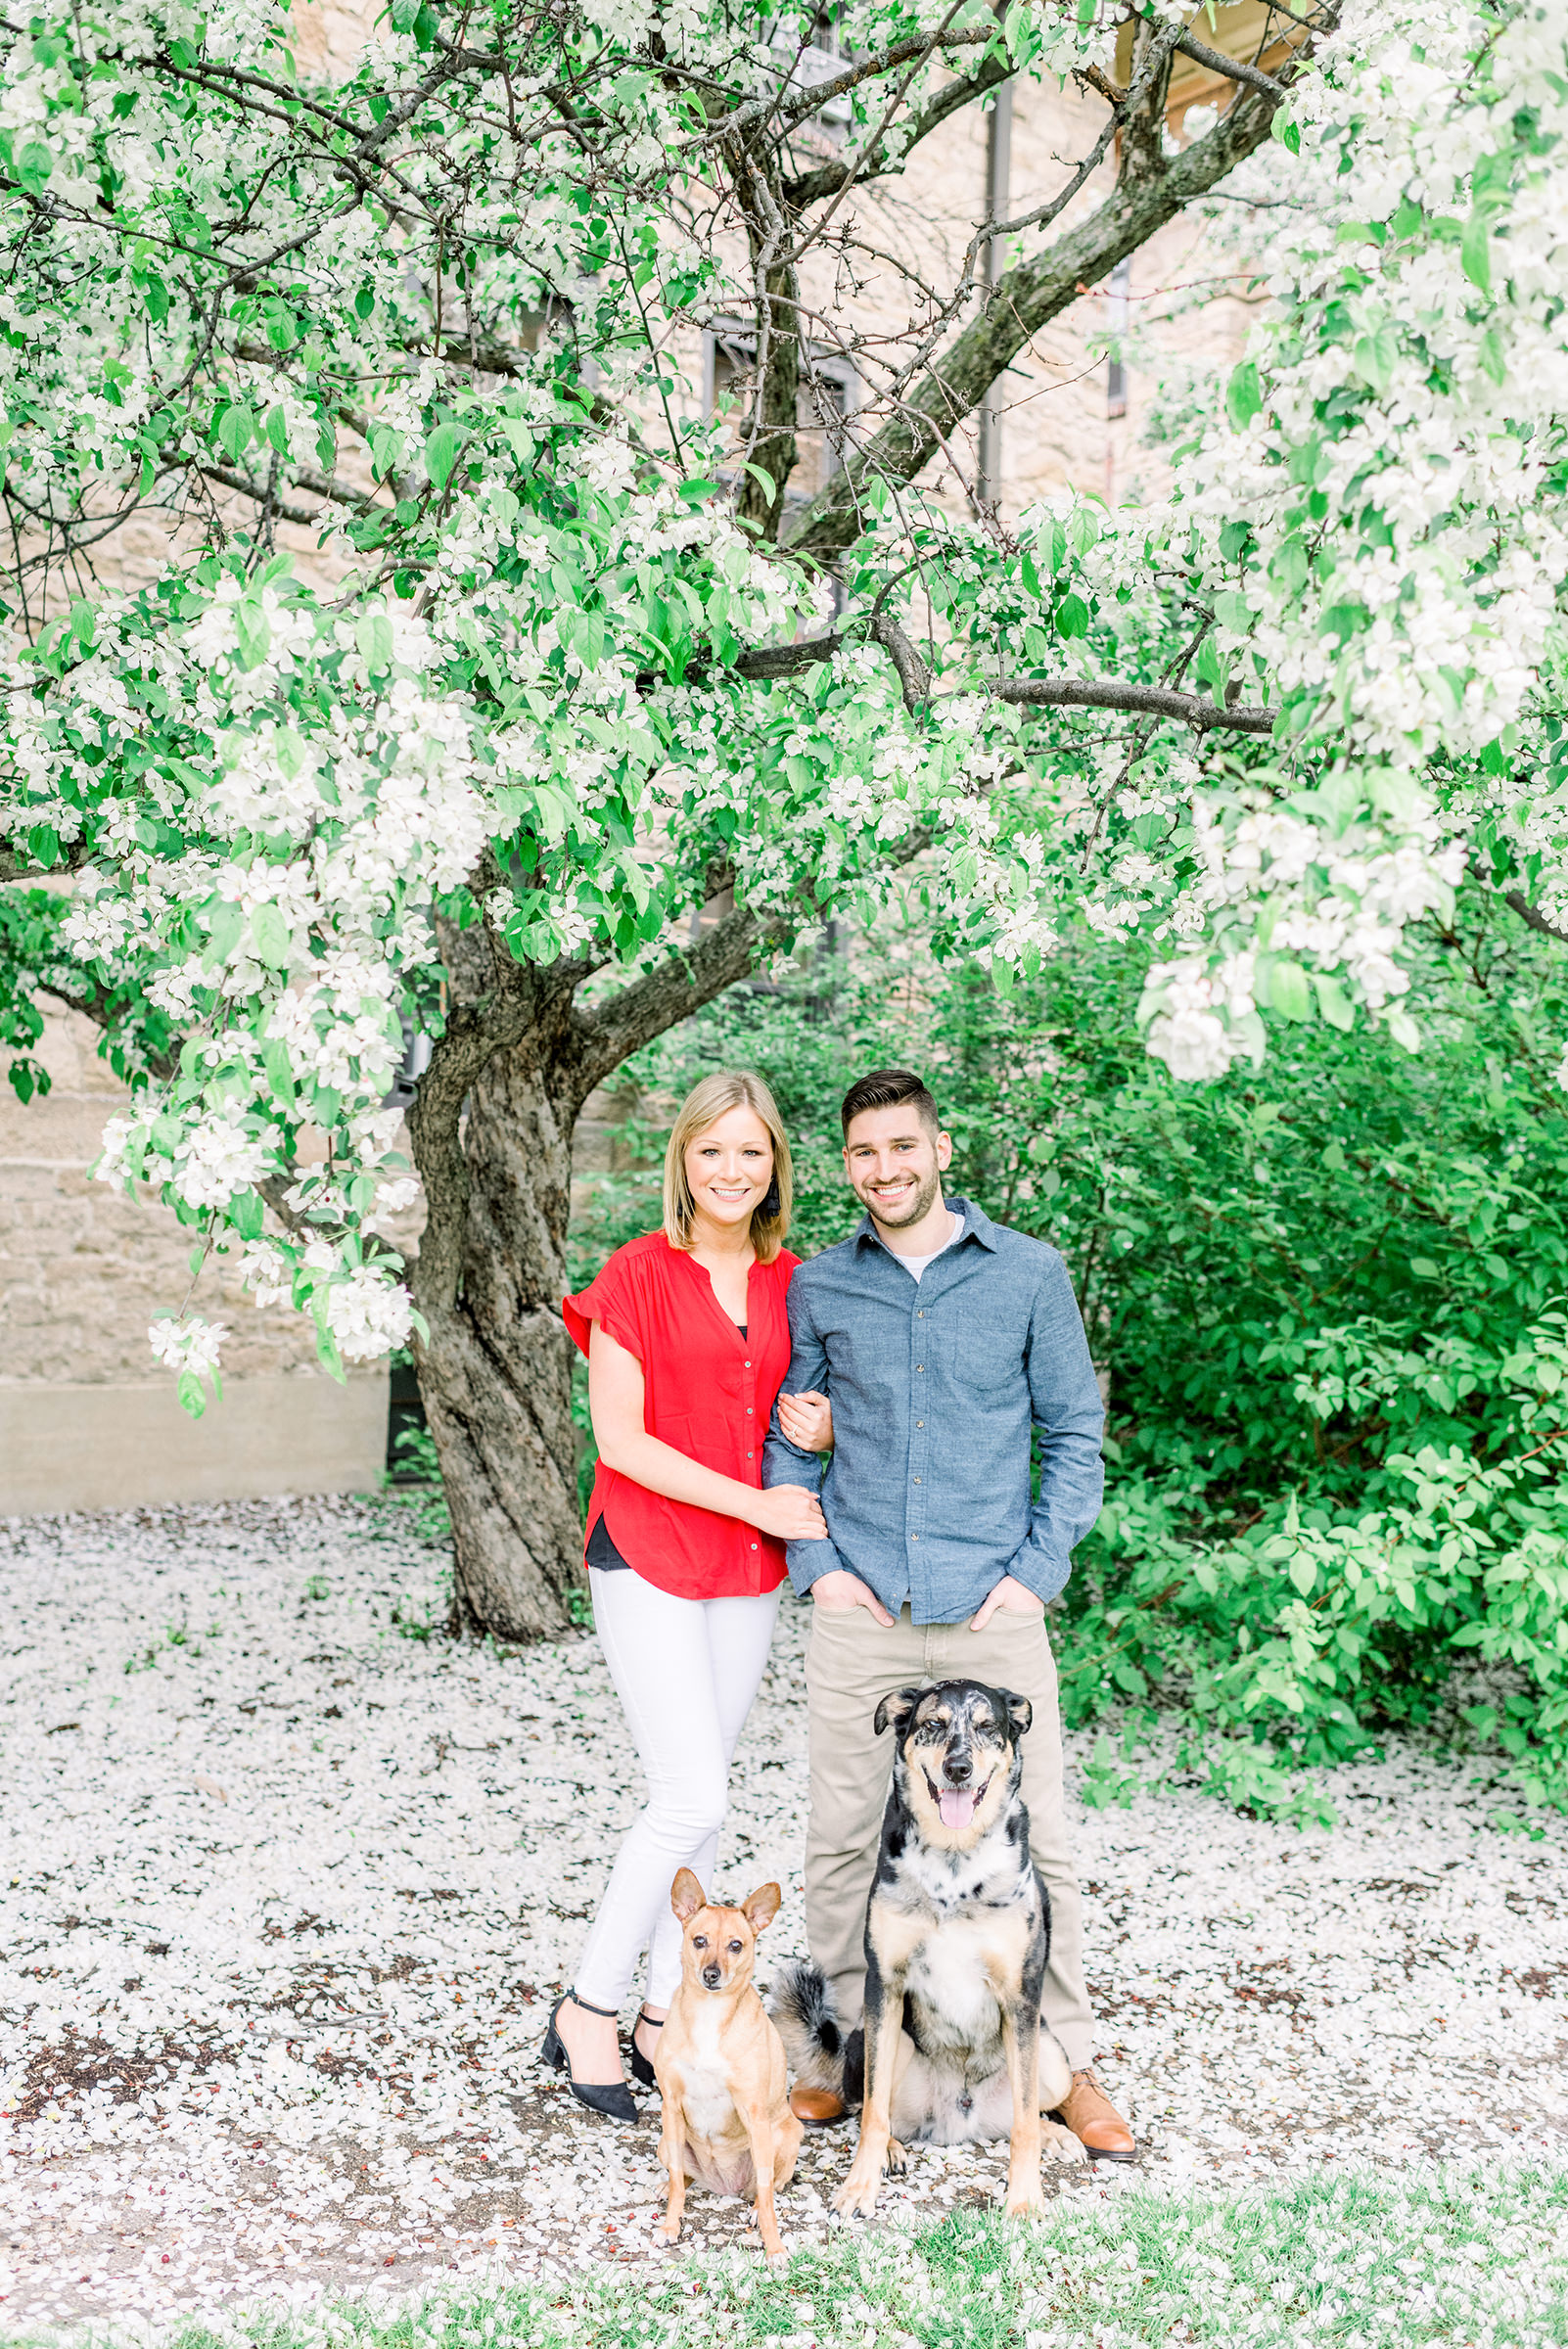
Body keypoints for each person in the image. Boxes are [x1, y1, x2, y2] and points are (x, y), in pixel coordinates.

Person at [761, 1067, 1136, 2160]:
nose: (885, 1171)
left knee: (1040, 1842)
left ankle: (1059, 2062)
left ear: (941, 1148)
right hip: (862, 1605)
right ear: (847, 1166)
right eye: (864, 1154)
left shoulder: (1027, 1275)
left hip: (994, 1610)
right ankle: (850, 2050)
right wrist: (820, 1566)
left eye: (902, 1148)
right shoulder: (824, 1285)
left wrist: (1036, 1570)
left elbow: (1074, 1437)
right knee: (841, 1840)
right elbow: (793, 1435)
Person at [545, 1070, 831, 2120]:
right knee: (691, 1797)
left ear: (774, 1168)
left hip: (744, 1571)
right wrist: (758, 1502)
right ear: (684, 1161)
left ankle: (667, 2017)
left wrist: (825, 1438)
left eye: (751, 1152)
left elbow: (826, 1413)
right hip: (649, 1551)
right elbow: (621, 1442)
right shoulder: (636, 1275)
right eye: (712, 1150)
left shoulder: (797, 1283)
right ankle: (588, 2005)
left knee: (699, 1802)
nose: (731, 1170)